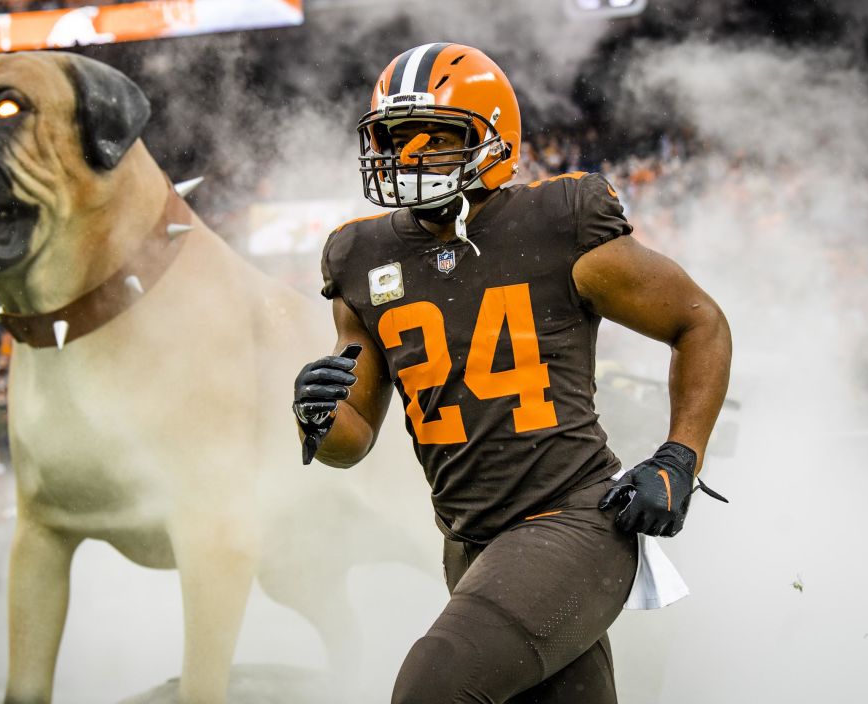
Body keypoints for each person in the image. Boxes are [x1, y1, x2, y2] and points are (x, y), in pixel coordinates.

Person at [292, 42, 732, 703]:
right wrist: (316, 415)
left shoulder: (558, 222)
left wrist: (680, 456)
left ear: (492, 139)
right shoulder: (362, 255)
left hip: (574, 522)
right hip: (470, 543)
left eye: (433, 137)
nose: (408, 156)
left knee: (432, 689)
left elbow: (700, 323)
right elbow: (349, 442)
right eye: (395, 136)